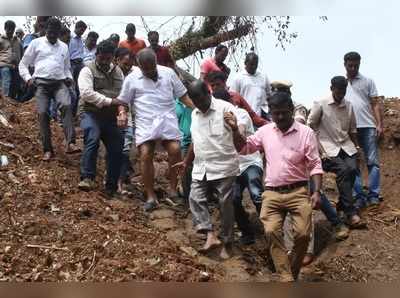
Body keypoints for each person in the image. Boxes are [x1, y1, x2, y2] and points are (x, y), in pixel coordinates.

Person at [225, 91, 323, 281]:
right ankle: (286, 278)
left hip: (299, 191)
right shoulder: (265, 131)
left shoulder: (306, 133)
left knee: (303, 235)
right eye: (275, 113)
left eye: (283, 113)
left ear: (292, 111)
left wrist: (317, 191)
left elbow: (315, 165)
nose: (279, 117)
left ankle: (291, 271)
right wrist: (235, 130)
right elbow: (244, 148)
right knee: (270, 231)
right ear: (270, 113)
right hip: (272, 193)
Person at [117, 48, 194, 211]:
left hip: (167, 118)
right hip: (146, 120)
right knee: (145, 154)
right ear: (139, 65)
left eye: (151, 67)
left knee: (175, 150)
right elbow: (122, 101)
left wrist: (198, 109)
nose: (149, 70)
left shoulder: (168, 73)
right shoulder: (131, 79)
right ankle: (150, 196)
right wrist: (123, 113)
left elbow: (183, 96)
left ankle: (173, 190)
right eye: (145, 68)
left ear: (155, 63)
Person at [176, 80, 243, 259]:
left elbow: (242, 142)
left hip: (224, 167)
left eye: (200, 98)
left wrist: (235, 128)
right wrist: (186, 162)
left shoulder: (226, 109)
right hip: (201, 166)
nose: (198, 103)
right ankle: (210, 235)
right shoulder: (195, 114)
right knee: (195, 198)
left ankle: (228, 243)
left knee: (225, 204)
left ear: (208, 92)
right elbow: (194, 141)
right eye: (194, 100)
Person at [19, 17, 80, 160]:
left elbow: (67, 68)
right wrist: (28, 78)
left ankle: (71, 143)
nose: (52, 35)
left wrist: (69, 78)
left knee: (66, 105)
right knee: (42, 113)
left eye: (55, 33)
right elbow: (23, 64)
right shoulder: (36, 43)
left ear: (59, 33)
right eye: (50, 32)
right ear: (45, 30)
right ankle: (48, 149)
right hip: (41, 83)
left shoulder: (64, 46)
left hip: (59, 83)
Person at [308, 76, 363, 228]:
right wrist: (317, 148)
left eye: (344, 91)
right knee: (343, 170)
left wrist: (357, 148)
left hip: (346, 146)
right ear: (332, 88)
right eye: (338, 91)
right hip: (327, 149)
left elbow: (352, 130)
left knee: (352, 169)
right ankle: (350, 213)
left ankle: (343, 204)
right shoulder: (321, 104)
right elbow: (310, 127)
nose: (341, 94)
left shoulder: (349, 106)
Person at [212, 88, 264, 246]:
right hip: (232, 166)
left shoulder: (241, 114)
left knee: (256, 192)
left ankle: (271, 226)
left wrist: (233, 128)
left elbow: (241, 133)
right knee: (233, 199)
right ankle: (247, 232)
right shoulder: (215, 119)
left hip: (250, 161)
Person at [77, 40, 125, 198]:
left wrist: (121, 111)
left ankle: (111, 185)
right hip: (90, 112)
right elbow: (86, 93)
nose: (104, 61)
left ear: (113, 58)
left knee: (118, 145)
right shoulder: (87, 70)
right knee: (93, 136)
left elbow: (123, 96)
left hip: (110, 116)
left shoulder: (118, 73)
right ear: (96, 55)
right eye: (102, 58)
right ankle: (87, 177)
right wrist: (110, 101)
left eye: (108, 58)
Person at [344, 51, 382, 208]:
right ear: (345, 64)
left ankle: (373, 194)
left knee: (372, 161)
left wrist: (379, 124)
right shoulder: (341, 83)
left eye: (356, 65)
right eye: (350, 65)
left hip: (367, 126)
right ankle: (359, 196)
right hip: (349, 129)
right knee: (355, 162)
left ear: (360, 64)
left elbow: (375, 104)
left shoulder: (368, 81)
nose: (353, 68)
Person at [115, 47, 136, 193]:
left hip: (128, 117)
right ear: (117, 60)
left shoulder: (135, 75)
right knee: (114, 149)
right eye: (125, 64)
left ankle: (120, 182)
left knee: (125, 148)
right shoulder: (111, 73)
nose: (127, 67)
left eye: (130, 64)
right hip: (111, 115)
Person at [230, 52, 271, 117]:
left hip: (262, 115)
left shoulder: (263, 77)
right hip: (245, 115)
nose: (254, 67)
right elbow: (233, 97)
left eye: (256, 64)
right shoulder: (238, 78)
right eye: (251, 64)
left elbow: (269, 94)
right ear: (245, 63)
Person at [69, 20, 88, 115]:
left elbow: (81, 53)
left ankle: (74, 112)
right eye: (81, 30)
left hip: (80, 64)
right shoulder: (70, 38)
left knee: (79, 87)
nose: (82, 32)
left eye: (83, 31)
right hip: (72, 64)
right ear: (76, 27)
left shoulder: (81, 40)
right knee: (71, 88)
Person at [0, 20, 22, 98]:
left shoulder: (18, 40)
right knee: (6, 80)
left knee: (16, 83)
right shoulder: (1, 39)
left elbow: (21, 52)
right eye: (8, 29)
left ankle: (11, 99)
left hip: (15, 65)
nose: (10, 31)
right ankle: (5, 99)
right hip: (4, 64)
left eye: (12, 29)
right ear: (5, 28)